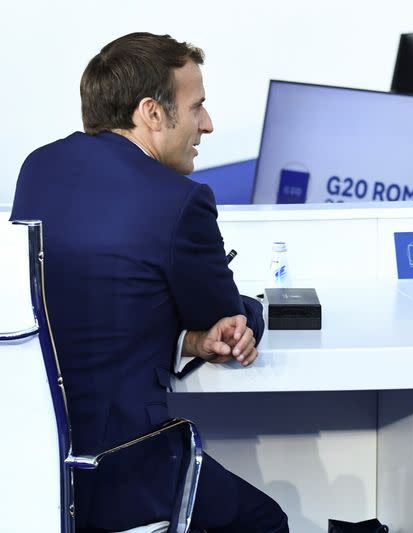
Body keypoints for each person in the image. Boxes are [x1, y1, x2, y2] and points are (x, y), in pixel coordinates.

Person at [11, 32, 289, 533]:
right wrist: (249, 313)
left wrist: (184, 339)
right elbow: (224, 318)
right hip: (124, 467)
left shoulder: (38, 169)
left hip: (37, 468)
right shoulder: (179, 201)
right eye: (197, 106)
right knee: (265, 522)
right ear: (152, 113)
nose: (207, 124)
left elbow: (92, 303)